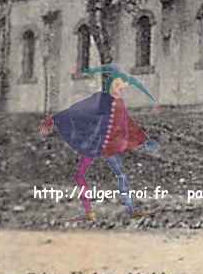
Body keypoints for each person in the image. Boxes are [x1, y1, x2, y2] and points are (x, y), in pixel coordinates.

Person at [39, 65, 159, 220]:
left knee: (121, 175)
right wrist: (53, 120)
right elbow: (77, 110)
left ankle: (130, 210)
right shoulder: (100, 99)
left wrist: (143, 140)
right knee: (80, 175)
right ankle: (89, 212)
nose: (120, 88)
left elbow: (128, 124)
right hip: (93, 143)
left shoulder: (120, 103)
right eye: (117, 84)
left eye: (121, 85)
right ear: (111, 85)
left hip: (110, 147)